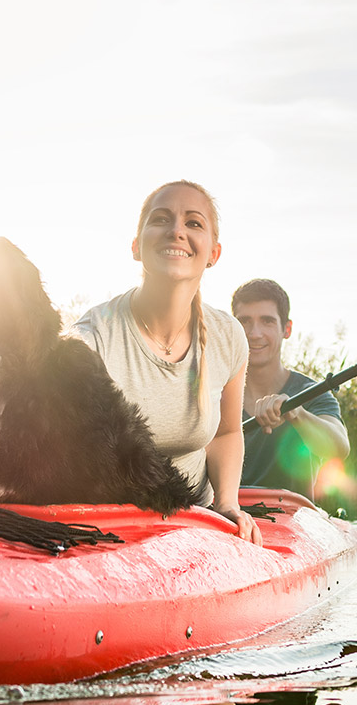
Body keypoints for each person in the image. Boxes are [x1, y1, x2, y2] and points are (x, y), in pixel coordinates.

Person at [74, 181, 260, 544]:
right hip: (111, 529)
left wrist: (227, 504)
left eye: (193, 223)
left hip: (197, 526)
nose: (176, 230)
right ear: (135, 247)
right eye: (161, 219)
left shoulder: (228, 336)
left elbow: (225, 432)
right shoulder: (91, 338)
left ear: (214, 253)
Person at [232, 278, 350, 499]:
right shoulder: (212, 393)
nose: (254, 333)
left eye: (267, 321)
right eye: (245, 321)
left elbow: (339, 448)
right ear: (233, 329)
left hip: (292, 519)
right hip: (223, 519)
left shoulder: (312, 392)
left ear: (287, 329)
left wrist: (296, 414)